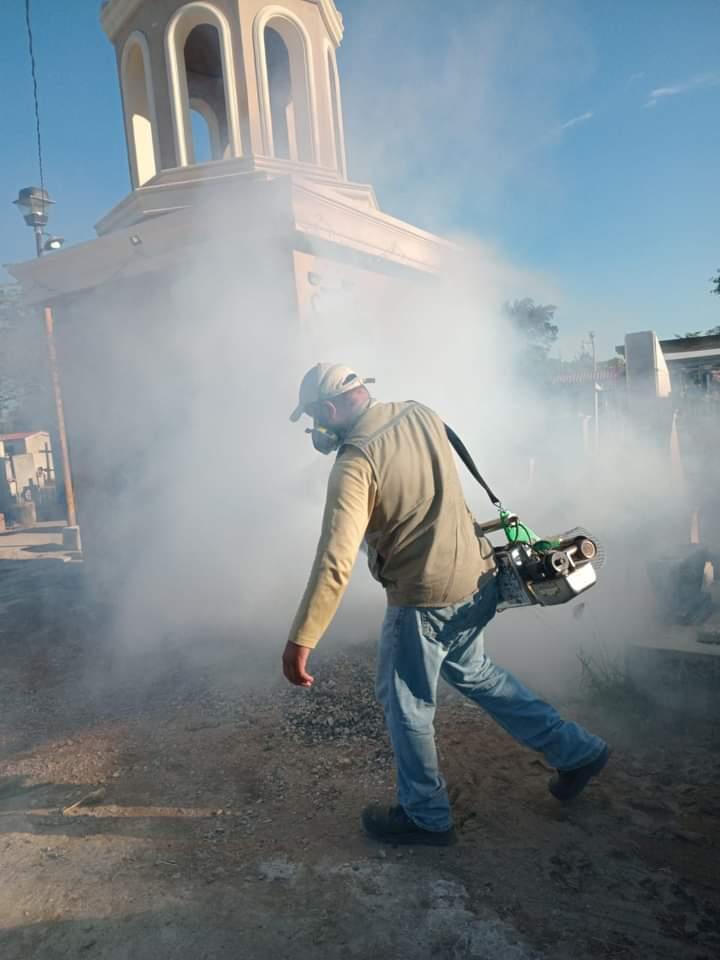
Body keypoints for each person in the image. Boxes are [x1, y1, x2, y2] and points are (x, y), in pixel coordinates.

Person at [283, 363, 609, 846]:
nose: (316, 428)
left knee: (406, 703)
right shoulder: (420, 413)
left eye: (315, 417)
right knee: (477, 674)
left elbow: (335, 561)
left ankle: (425, 815)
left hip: (423, 597)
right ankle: (577, 751)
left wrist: (302, 639)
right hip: (477, 578)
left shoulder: (354, 464)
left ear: (329, 409)